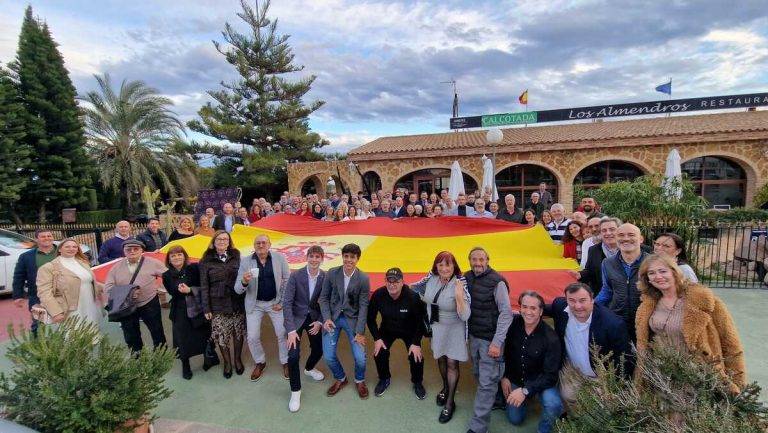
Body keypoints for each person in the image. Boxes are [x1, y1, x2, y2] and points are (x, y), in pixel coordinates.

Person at [635, 254, 746, 393]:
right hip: (662, 374)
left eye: (663, 271)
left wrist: (737, 382)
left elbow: (730, 343)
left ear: (674, 272)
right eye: (651, 273)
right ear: (647, 279)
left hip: (697, 375)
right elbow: (644, 345)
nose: (658, 276)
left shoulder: (705, 302)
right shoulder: (647, 305)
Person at [546, 282, 632, 410]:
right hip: (572, 371)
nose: (577, 306)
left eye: (582, 300)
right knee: (567, 396)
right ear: (566, 300)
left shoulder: (613, 323)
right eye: (572, 300)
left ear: (592, 299)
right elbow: (540, 308)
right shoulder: (560, 307)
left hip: (601, 376)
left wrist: (615, 385)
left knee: (600, 409)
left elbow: (624, 358)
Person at [410, 251, 470, 423]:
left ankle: (450, 402)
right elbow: (415, 288)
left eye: (448, 264)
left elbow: (466, 315)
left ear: (454, 266)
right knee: (441, 359)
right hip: (437, 327)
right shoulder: (431, 279)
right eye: (441, 264)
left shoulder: (460, 283)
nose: (444, 268)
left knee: (452, 363)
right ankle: (445, 387)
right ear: (436, 266)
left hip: (454, 328)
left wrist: (459, 298)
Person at [464, 247, 514, 433]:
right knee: (478, 374)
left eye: (481, 259)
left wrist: (497, 342)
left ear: (487, 260)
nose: (477, 263)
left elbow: (506, 313)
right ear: (469, 260)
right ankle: (498, 399)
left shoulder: (497, 282)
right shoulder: (466, 277)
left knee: (485, 384)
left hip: (491, 340)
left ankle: (478, 427)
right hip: (474, 337)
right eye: (474, 259)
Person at [502, 291, 563, 433]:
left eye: (533, 308)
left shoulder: (551, 338)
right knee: (515, 419)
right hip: (516, 378)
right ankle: (524, 398)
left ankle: (544, 430)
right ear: (520, 308)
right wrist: (504, 376)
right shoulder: (512, 324)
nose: (528, 312)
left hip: (540, 382)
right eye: (524, 307)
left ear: (541, 311)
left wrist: (525, 391)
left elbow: (550, 376)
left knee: (553, 404)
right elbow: (504, 353)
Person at [235, 235, 291, 382]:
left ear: (269, 244)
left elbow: (288, 280)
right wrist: (244, 281)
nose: (261, 245)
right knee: (252, 336)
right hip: (255, 304)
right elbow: (237, 289)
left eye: (264, 242)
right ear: (254, 245)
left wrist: (282, 302)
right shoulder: (246, 261)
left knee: (282, 332)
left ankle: (286, 361)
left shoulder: (279, 258)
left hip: (275, 302)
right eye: (258, 243)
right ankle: (260, 362)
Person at [319, 243, 371, 399]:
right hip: (333, 318)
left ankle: (359, 380)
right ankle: (341, 378)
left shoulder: (363, 278)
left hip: (352, 319)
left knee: (360, 358)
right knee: (328, 356)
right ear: (342, 257)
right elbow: (323, 298)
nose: (349, 260)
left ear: (358, 259)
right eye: (346, 256)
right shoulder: (332, 273)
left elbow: (363, 306)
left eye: (352, 257)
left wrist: (360, 331)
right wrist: (327, 318)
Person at [367, 267, 427, 399]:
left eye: (396, 281)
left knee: (416, 356)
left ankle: (417, 382)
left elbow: (421, 321)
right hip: (388, 329)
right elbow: (370, 319)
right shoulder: (378, 295)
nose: (392, 284)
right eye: (389, 281)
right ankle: (384, 379)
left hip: (409, 329)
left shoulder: (412, 297)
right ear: (385, 281)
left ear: (402, 282)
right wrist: (377, 338)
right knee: (379, 353)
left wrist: (416, 342)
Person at [283, 245, 327, 412]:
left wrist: (321, 321)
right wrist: (291, 330)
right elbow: (287, 303)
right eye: (312, 256)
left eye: (318, 257)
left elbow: (327, 302)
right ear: (306, 257)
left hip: (314, 318)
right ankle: (295, 391)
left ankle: (309, 368)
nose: (314, 260)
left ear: (322, 259)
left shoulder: (325, 277)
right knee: (293, 356)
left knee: (319, 349)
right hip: (296, 319)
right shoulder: (296, 276)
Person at [104, 239, 167, 352]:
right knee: (130, 333)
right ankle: (137, 355)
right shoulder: (116, 267)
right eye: (128, 249)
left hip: (149, 302)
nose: (132, 251)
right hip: (126, 305)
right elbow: (108, 287)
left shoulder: (153, 262)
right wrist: (128, 292)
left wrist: (162, 289)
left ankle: (161, 353)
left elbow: (168, 276)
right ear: (124, 251)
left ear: (141, 250)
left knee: (156, 330)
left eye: (136, 249)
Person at [162, 245, 213, 379]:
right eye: (173, 255)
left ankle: (208, 358)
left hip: (197, 307)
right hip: (179, 310)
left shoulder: (194, 268)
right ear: (169, 259)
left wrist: (190, 290)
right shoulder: (166, 275)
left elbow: (204, 286)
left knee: (203, 335)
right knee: (182, 339)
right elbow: (171, 292)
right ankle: (186, 366)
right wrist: (179, 291)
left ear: (184, 256)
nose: (177, 257)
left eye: (179, 254)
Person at [200, 230, 245, 379]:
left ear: (229, 242)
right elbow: (204, 285)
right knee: (221, 335)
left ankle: (237, 359)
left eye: (225, 239)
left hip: (236, 301)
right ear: (213, 242)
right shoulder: (206, 260)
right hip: (217, 303)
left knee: (238, 333)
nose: (222, 242)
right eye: (219, 239)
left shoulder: (236, 255)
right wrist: (206, 307)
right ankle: (227, 362)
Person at [595, 223, 649, 341]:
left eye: (631, 235)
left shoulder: (652, 263)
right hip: (617, 319)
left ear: (640, 239)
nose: (626, 238)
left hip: (646, 321)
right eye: (621, 235)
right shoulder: (607, 263)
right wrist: (592, 306)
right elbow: (607, 290)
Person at [37, 239, 103, 329]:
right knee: (74, 333)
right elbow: (44, 293)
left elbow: (88, 282)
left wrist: (110, 288)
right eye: (67, 246)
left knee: (92, 329)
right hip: (68, 309)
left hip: (89, 304)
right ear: (59, 249)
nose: (71, 249)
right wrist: (56, 312)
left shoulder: (83, 263)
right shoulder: (48, 268)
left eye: (74, 247)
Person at [13, 229, 58, 335]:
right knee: (38, 324)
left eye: (49, 236)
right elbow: (19, 276)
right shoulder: (26, 257)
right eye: (43, 236)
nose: (47, 238)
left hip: (62, 293)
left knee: (66, 322)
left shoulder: (62, 252)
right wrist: (18, 295)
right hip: (38, 295)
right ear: (37, 239)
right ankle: (38, 348)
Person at [572, 217, 621, 296]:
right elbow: (589, 271)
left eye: (612, 229)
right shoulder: (593, 250)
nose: (608, 233)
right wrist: (580, 275)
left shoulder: (633, 249)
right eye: (604, 230)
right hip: (602, 295)